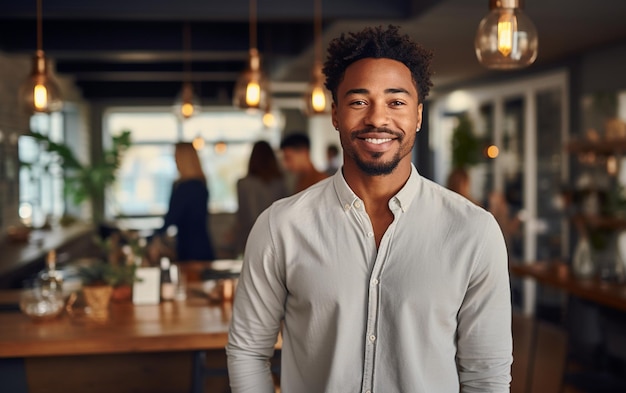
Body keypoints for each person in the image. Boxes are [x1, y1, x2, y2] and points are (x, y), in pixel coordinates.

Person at [227, 25, 512, 392]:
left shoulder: (473, 231)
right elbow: (248, 351)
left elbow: (486, 375)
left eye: (396, 102)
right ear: (335, 114)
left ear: (419, 116)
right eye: (359, 101)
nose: (377, 119)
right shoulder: (280, 226)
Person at [152, 142, 215, 262]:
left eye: (176, 157)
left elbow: (172, 218)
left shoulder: (183, 187)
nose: (175, 162)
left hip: (188, 248)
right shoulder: (201, 185)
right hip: (203, 244)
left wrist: (152, 236)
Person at [233, 140, 289, 256]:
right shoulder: (281, 182)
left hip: (249, 238)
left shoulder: (242, 184)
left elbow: (242, 217)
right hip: (276, 239)